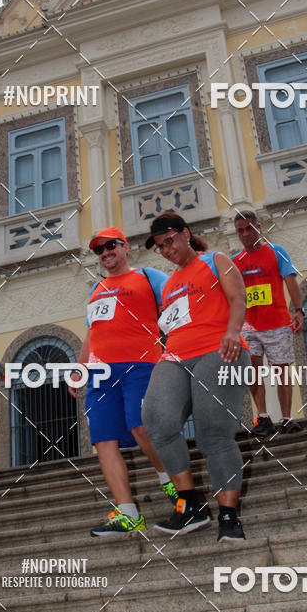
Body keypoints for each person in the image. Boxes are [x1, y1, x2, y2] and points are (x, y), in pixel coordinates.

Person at [141, 212, 250, 542]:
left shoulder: (216, 260)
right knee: (156, 419)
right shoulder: (169, 284)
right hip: (175, 356)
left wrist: (233, 332)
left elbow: (238, 298)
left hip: (220, 349)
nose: (166, 249)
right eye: (160, 246)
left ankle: (228, 515)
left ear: (186, 233)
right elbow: (171, 325)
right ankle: (190, 505)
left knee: (212, 432)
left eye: (170, 240)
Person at [69, 227, 176, 537]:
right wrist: (80, 368)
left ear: (125, 247)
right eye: (99, 250)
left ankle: (168, 476)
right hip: (101, 373)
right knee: (103, 440)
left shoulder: (148, 277)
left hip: (142, 365)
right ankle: (128, 513)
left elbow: (179, 304)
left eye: (110, 246)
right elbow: (93, 333)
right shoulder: (97, 289)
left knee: (140, 425)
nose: (105, 253)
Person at [232, 211, 304, 437]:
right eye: (240, 230)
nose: (245, 234)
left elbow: (290, 280)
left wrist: (299, 310)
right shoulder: (234, 262)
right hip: (249, 327)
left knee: (281, 371)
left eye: (249, 228)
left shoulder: (276, 252)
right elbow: (231, 295)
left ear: (259, 227)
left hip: (278, 323)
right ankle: (262, 416)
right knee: (252, 369)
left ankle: (286, 418)